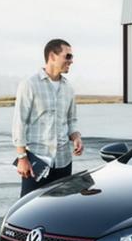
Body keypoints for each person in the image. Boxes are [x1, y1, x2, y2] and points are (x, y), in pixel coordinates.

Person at [12, 39, 83, 196]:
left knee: (62, 207)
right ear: (52, 56)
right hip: (37, 163)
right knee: (31, 207)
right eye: (68, 56)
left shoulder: (68, 88)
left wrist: (76, 136)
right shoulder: (29, 84)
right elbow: (19, 123)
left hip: (64, 162)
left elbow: (71, 120)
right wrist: (22, 158)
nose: (71, 61)